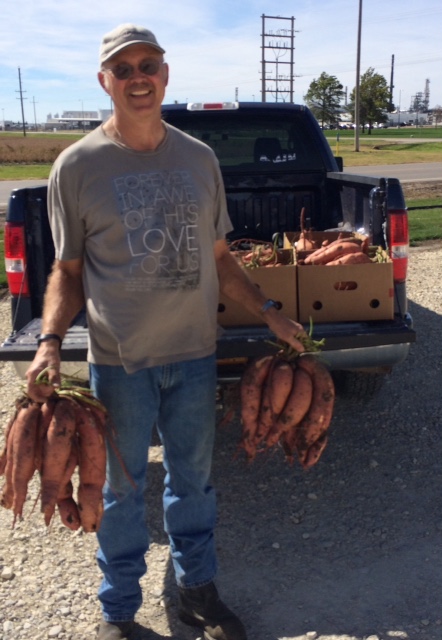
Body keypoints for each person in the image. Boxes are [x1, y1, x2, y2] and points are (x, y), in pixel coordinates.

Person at [26, 23, 308, 640]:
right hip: (120, 362)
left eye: (146, 64)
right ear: (105, 81)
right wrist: (49, 341)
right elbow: (67, 272)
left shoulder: (198, 159)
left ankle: (198, 594)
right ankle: (119, 610)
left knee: (194, 483)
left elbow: (221, 259)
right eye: (122, 69)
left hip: (194, 355)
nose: (136, 77)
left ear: (165, 72)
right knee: (122, 493)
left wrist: (269, 311)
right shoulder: (76, 167)